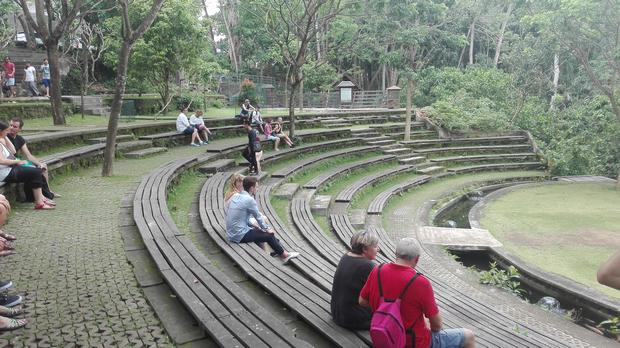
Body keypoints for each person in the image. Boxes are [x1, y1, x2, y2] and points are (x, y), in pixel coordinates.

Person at [360, 238, 475, 348]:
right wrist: (425, 323)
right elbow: (437, 325)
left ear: (396, 254)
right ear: (417, 259)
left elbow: (362, 301)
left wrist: (385, 309)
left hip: (386, 338)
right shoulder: (420, 282)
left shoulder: (377, 270)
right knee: (468, 336)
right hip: (414, 343)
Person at [225, 176, 299, 263]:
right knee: (269, 235)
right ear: (252, 188)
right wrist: (267, 229)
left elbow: (244, 218)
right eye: (256, 186)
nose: (258, 188)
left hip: (232, 233)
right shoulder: (249, 200)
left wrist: (255, 226)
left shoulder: (237, 196)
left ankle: (276, 250)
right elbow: (258, 217)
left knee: (260, 231)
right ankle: (284, 255)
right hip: (239, 235)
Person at [0, 122, 54, 210]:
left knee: (35, 169)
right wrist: (17, 161)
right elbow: (1, 160)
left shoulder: (2, 140)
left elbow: (13, 151)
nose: (8, 132)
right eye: (6, 131)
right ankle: (40, 202)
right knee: (35, 172)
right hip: (4, 172)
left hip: (9, 169)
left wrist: (4, 136)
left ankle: (42, 198)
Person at [331, 230, 379, 330]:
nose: (378, 249)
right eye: (375, 246)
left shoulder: (346, 256)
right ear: (365, 249)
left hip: (337, 312)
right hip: (352, 319)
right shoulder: (368, 266)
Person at [7, 117, 58, 199]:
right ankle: (41, 196)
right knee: (35, 170)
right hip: (12, 163)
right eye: (11, 125)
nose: (11, 128)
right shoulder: (5, 137)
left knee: (43, 166)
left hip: (19, 162)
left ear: (20, 129)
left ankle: (48, 191)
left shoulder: (20, 139)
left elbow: (29, 155)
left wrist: (40, 164)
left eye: (15, 127)